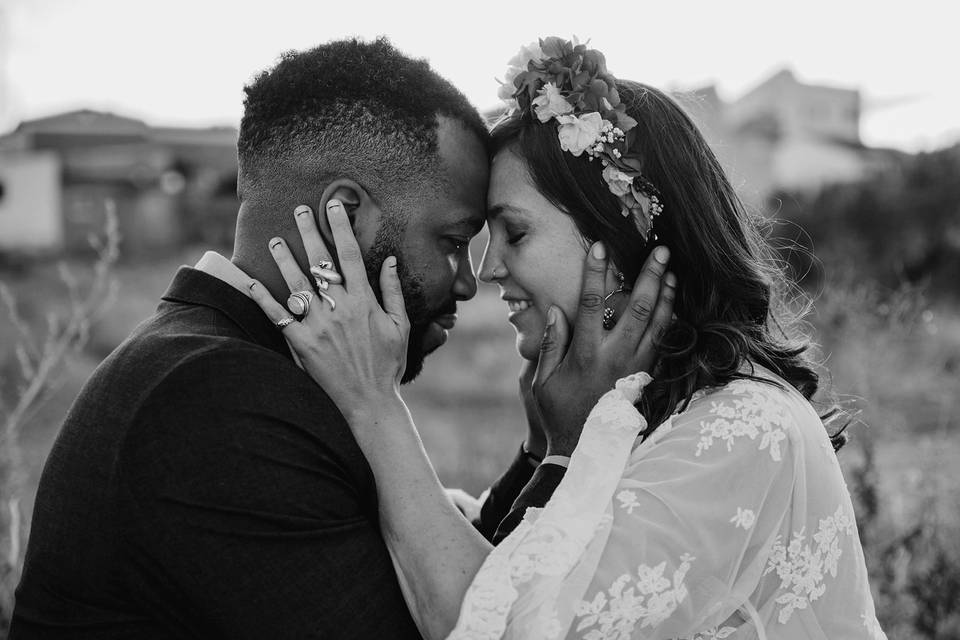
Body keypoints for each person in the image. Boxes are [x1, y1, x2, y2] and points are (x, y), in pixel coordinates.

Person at [12, 38, 674, 639]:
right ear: (344, 216)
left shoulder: (243, 362)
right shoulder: (212, 397)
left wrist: (537, 453)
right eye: (451, 242)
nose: (469, 284)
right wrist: (567, 454)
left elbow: (433, 583)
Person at [245, 38, 887, 639]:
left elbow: (493, 624)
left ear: (617, 235)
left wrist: (374, 405)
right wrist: (550, 450)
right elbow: (516, 574)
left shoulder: (745, 428)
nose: (489, 271)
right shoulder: (641, 406)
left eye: (515, 234)